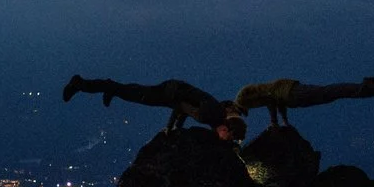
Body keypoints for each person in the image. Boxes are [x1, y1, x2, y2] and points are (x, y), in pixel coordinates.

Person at [62, 75, 248, 141]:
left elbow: (189, 106)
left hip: (174, 90)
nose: (226, 140)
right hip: (171, 93)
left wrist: (175, 127)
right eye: (230, 137)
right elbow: (182, 107)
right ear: (226, 129)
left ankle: (111, 88)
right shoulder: (210, 116)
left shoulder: (216, 115)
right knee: (134, 94)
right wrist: (171, 128)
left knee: (133, 92)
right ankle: (80, 84)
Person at [231, 76, 374, 128]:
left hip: (291, 94)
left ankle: (367, 87)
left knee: (328, 93)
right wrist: (284, 121)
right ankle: (369, 90)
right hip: (290, 93)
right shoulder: (244, 98)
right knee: (329, 93)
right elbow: (273, 99)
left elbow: (270, 99)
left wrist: (275, 122)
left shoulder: (242, 100)